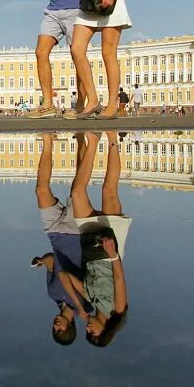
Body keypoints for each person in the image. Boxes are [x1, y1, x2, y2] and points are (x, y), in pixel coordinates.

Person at [61, 131, 130, 346]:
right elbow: (119, 280)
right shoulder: (118, 310)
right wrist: (113, 255)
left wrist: (79, 306)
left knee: (76, 193)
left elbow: (65, 275)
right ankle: (112, 140)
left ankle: (93, 141)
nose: (88, 329)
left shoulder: (90, 299)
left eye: (87, 333)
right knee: (109, 189)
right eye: (93, 333)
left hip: (89, 242)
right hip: (110, 246)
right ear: (104, 332)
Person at [30, 133, 94, 345]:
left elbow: (52, 262)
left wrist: (41, 260)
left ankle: (48, 141)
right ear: (69, 327)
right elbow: (67, 273)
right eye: (60, 329)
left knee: (40, 190)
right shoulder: (86, 305)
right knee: (78, 187)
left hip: (54, 235)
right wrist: (78, 304)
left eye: (53, 329)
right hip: (75, 233)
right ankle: (81, 139)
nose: (55, 325)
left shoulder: (52, 294)